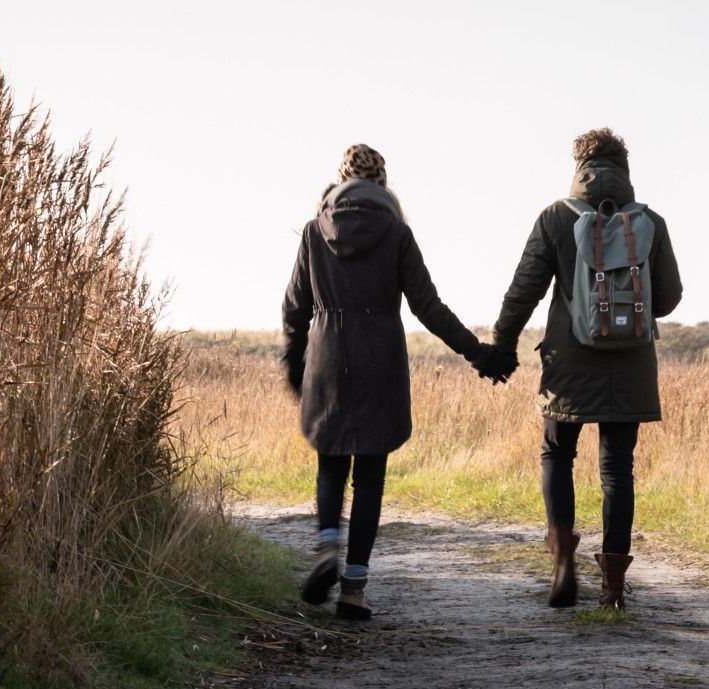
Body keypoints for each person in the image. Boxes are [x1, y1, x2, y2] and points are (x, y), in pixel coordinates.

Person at [281, 144, 502, 620]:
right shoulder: (397, 232)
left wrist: (296, 368)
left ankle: (325, 549)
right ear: (383, 185)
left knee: (331, 464)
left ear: (339, 182)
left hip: (327, 358)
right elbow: (429, 307)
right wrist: (477, 353)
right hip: (381, 358)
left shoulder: (312, 232)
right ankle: (354, 589)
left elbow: (294, 308)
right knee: (371, 478)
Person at [479, 128, 683, 609]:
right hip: (631, 362)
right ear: (625, 168)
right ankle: (613, 586)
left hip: (568, 362)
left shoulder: (556, 217)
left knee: (557, 454)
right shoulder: (650, 222)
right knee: (617, 468)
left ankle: (563, 564)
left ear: (578, 167)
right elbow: (669, 298)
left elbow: (522, 291)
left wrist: (503, 348)